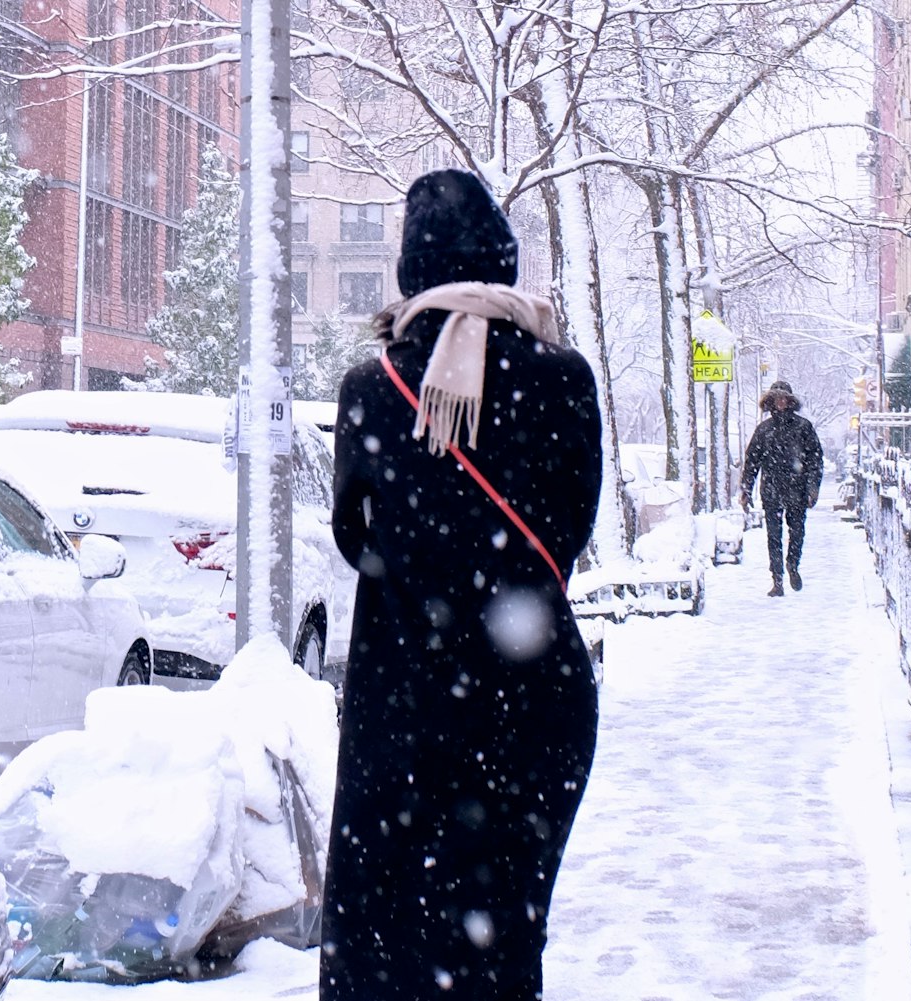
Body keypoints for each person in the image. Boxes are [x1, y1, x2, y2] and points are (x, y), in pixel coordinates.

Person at [323, 169, 604, 1000]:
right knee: (504, 942)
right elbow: (570, 529)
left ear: (413, 270)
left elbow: (354, 535)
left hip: (407, 710)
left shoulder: (373, 392)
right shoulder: (564, 377)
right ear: (501, 262)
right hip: (535, 708)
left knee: (387, 943)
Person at [739, 380, 823, 596]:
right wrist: (746, 490)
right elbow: (752, 462)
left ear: (790, 401)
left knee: (797, 532)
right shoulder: (764, 430)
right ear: (771, 402)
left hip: (797, 490)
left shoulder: (803, 427)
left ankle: (792, 565)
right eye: (776, 398)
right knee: (773, 537)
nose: (781, 402)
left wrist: (813, 488)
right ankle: (777, 580)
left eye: (784, 398)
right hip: (772, 492)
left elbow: (815, 459)